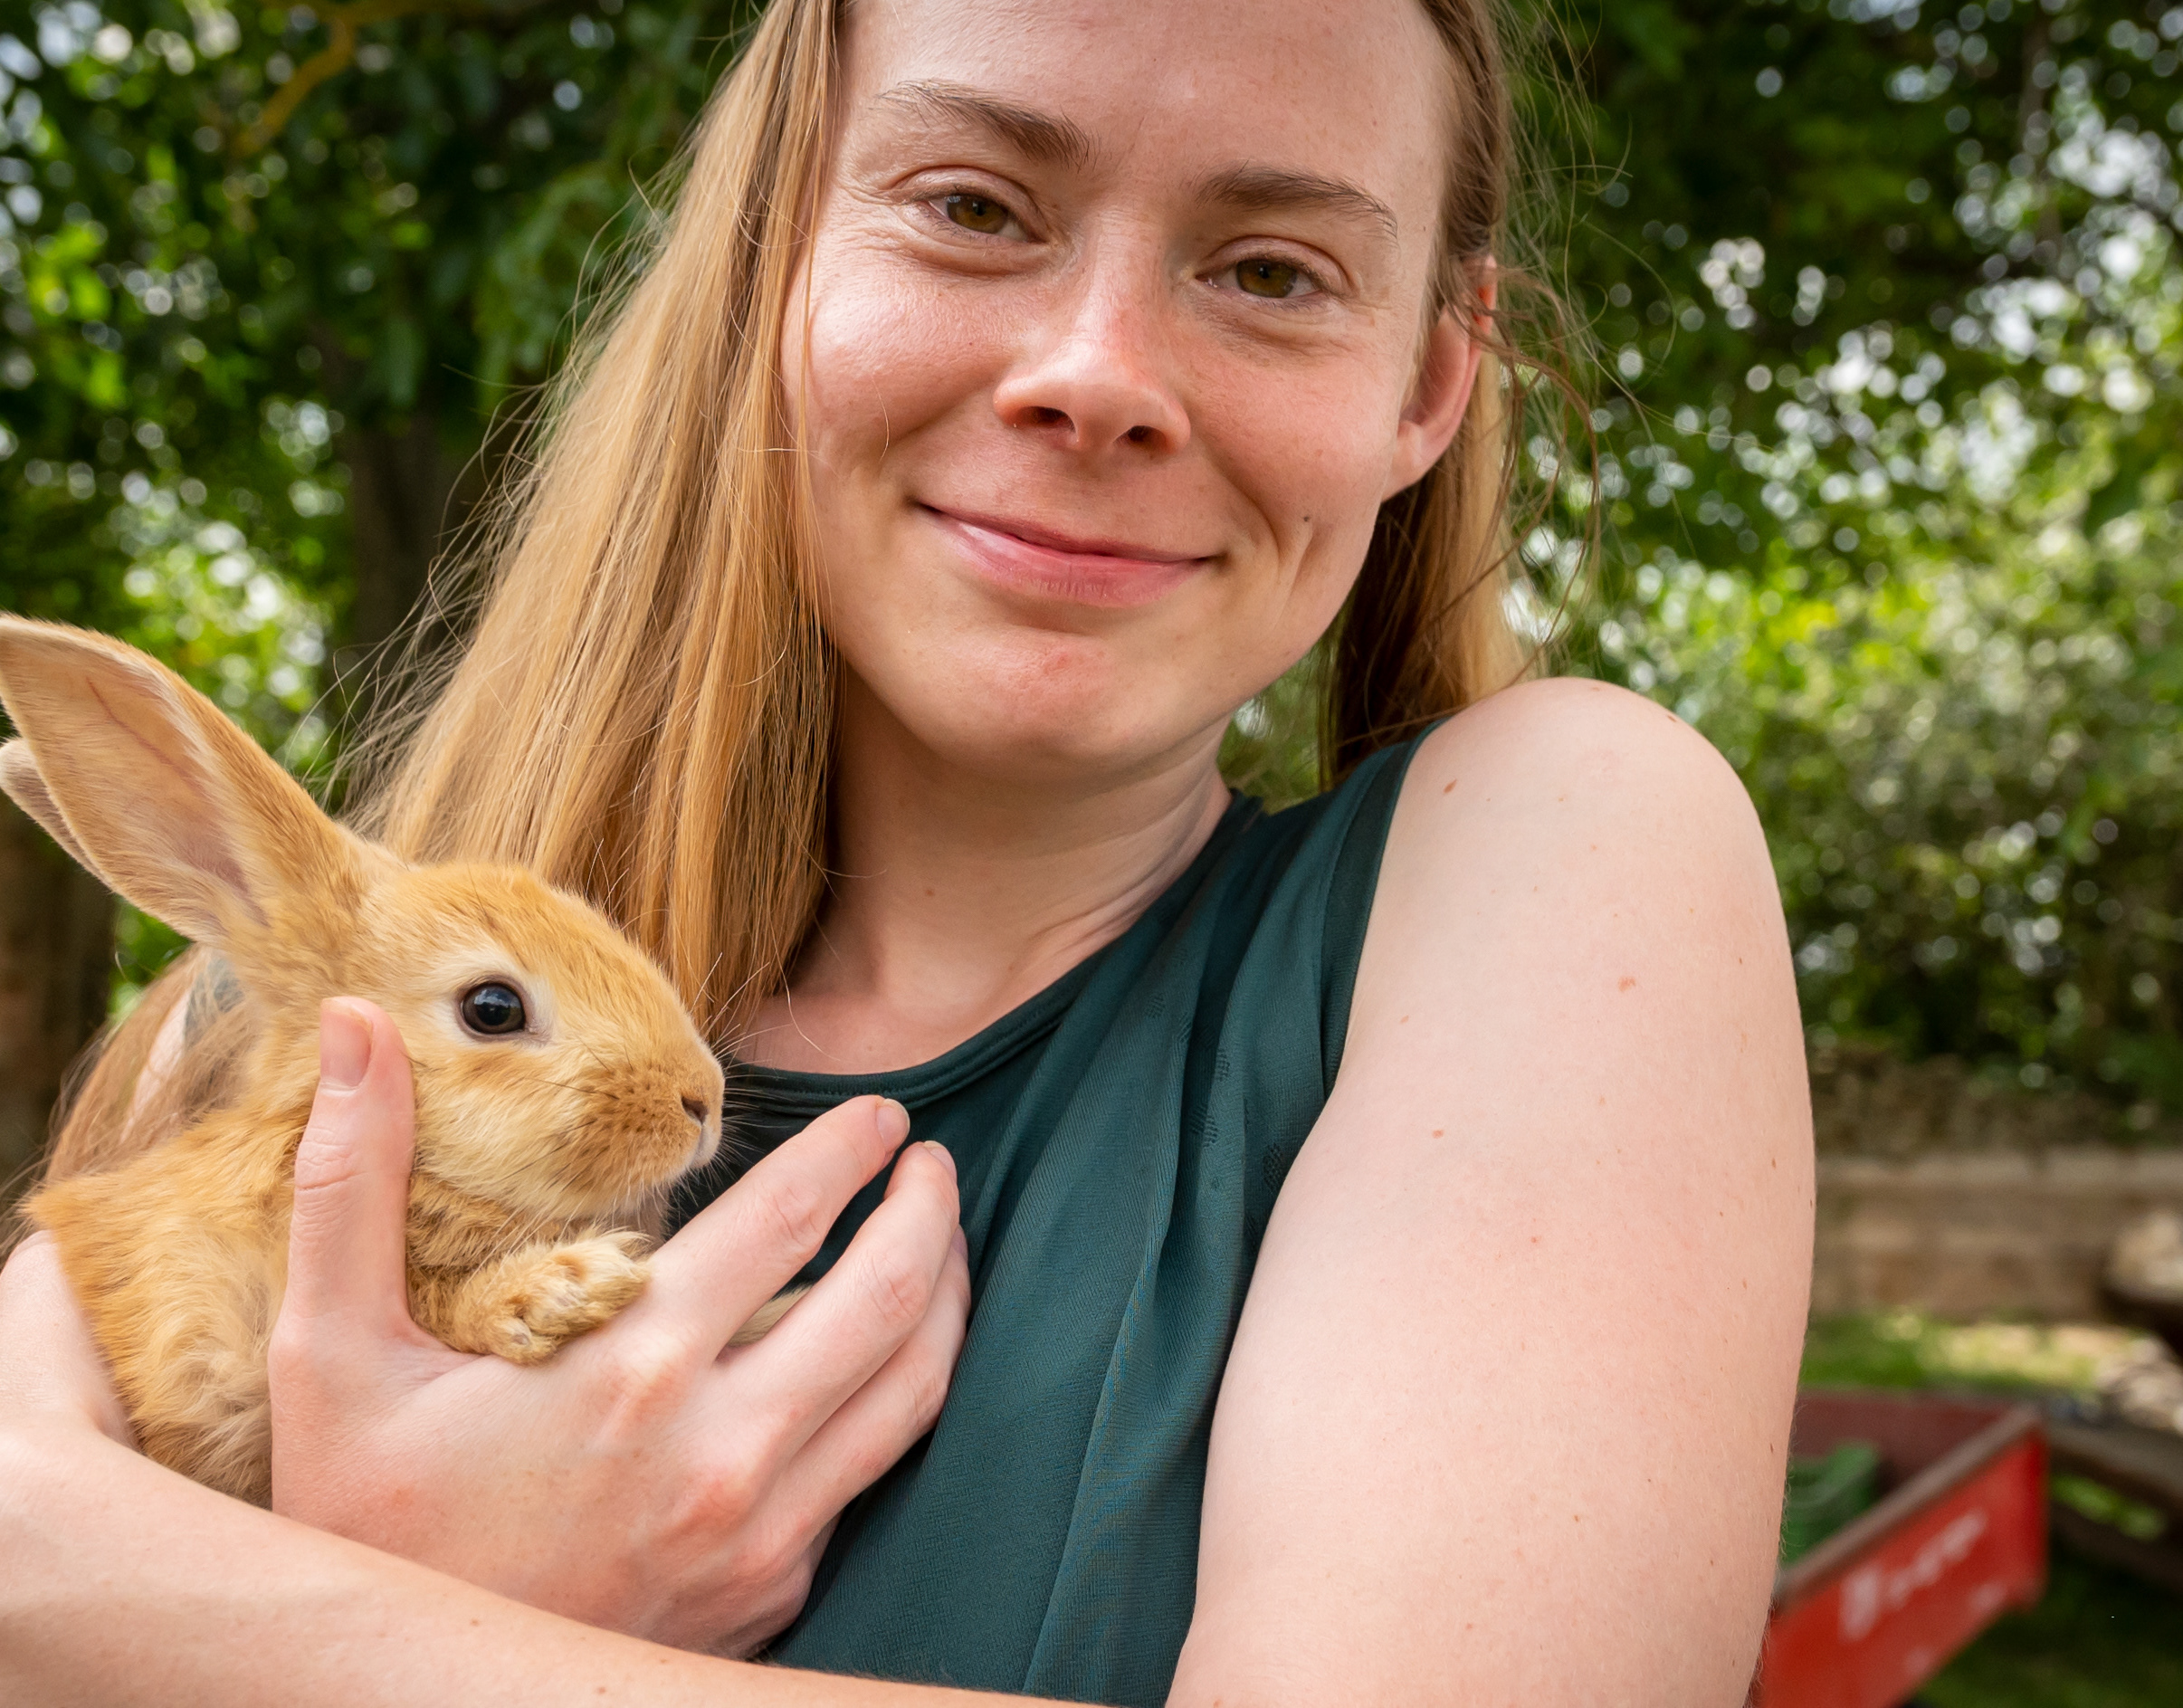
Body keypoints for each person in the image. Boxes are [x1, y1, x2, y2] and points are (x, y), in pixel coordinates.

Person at [0, 0, 1814, 1701]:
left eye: (1273, 270)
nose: (1098, 377)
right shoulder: (289, 1020)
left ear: (1426, 385)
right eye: (973, 206)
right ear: (771, 265)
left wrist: (332, 1615)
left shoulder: (1558, 858)